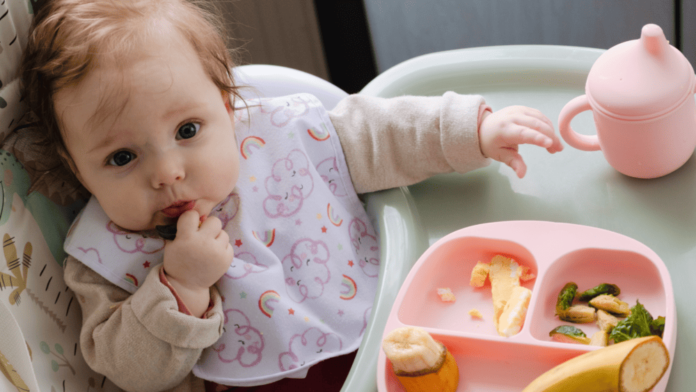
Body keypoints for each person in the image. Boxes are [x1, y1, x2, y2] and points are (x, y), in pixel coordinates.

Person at [20, 0, 563, 391]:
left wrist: (472, 131)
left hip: (392, 329)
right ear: (76, 169)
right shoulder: (99, 257)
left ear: (228, 107)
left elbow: (382, 134)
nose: (167, 173)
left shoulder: (283, 136)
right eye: (121, 158)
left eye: (188, 131)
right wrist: (180, 285)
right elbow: (128, 369)